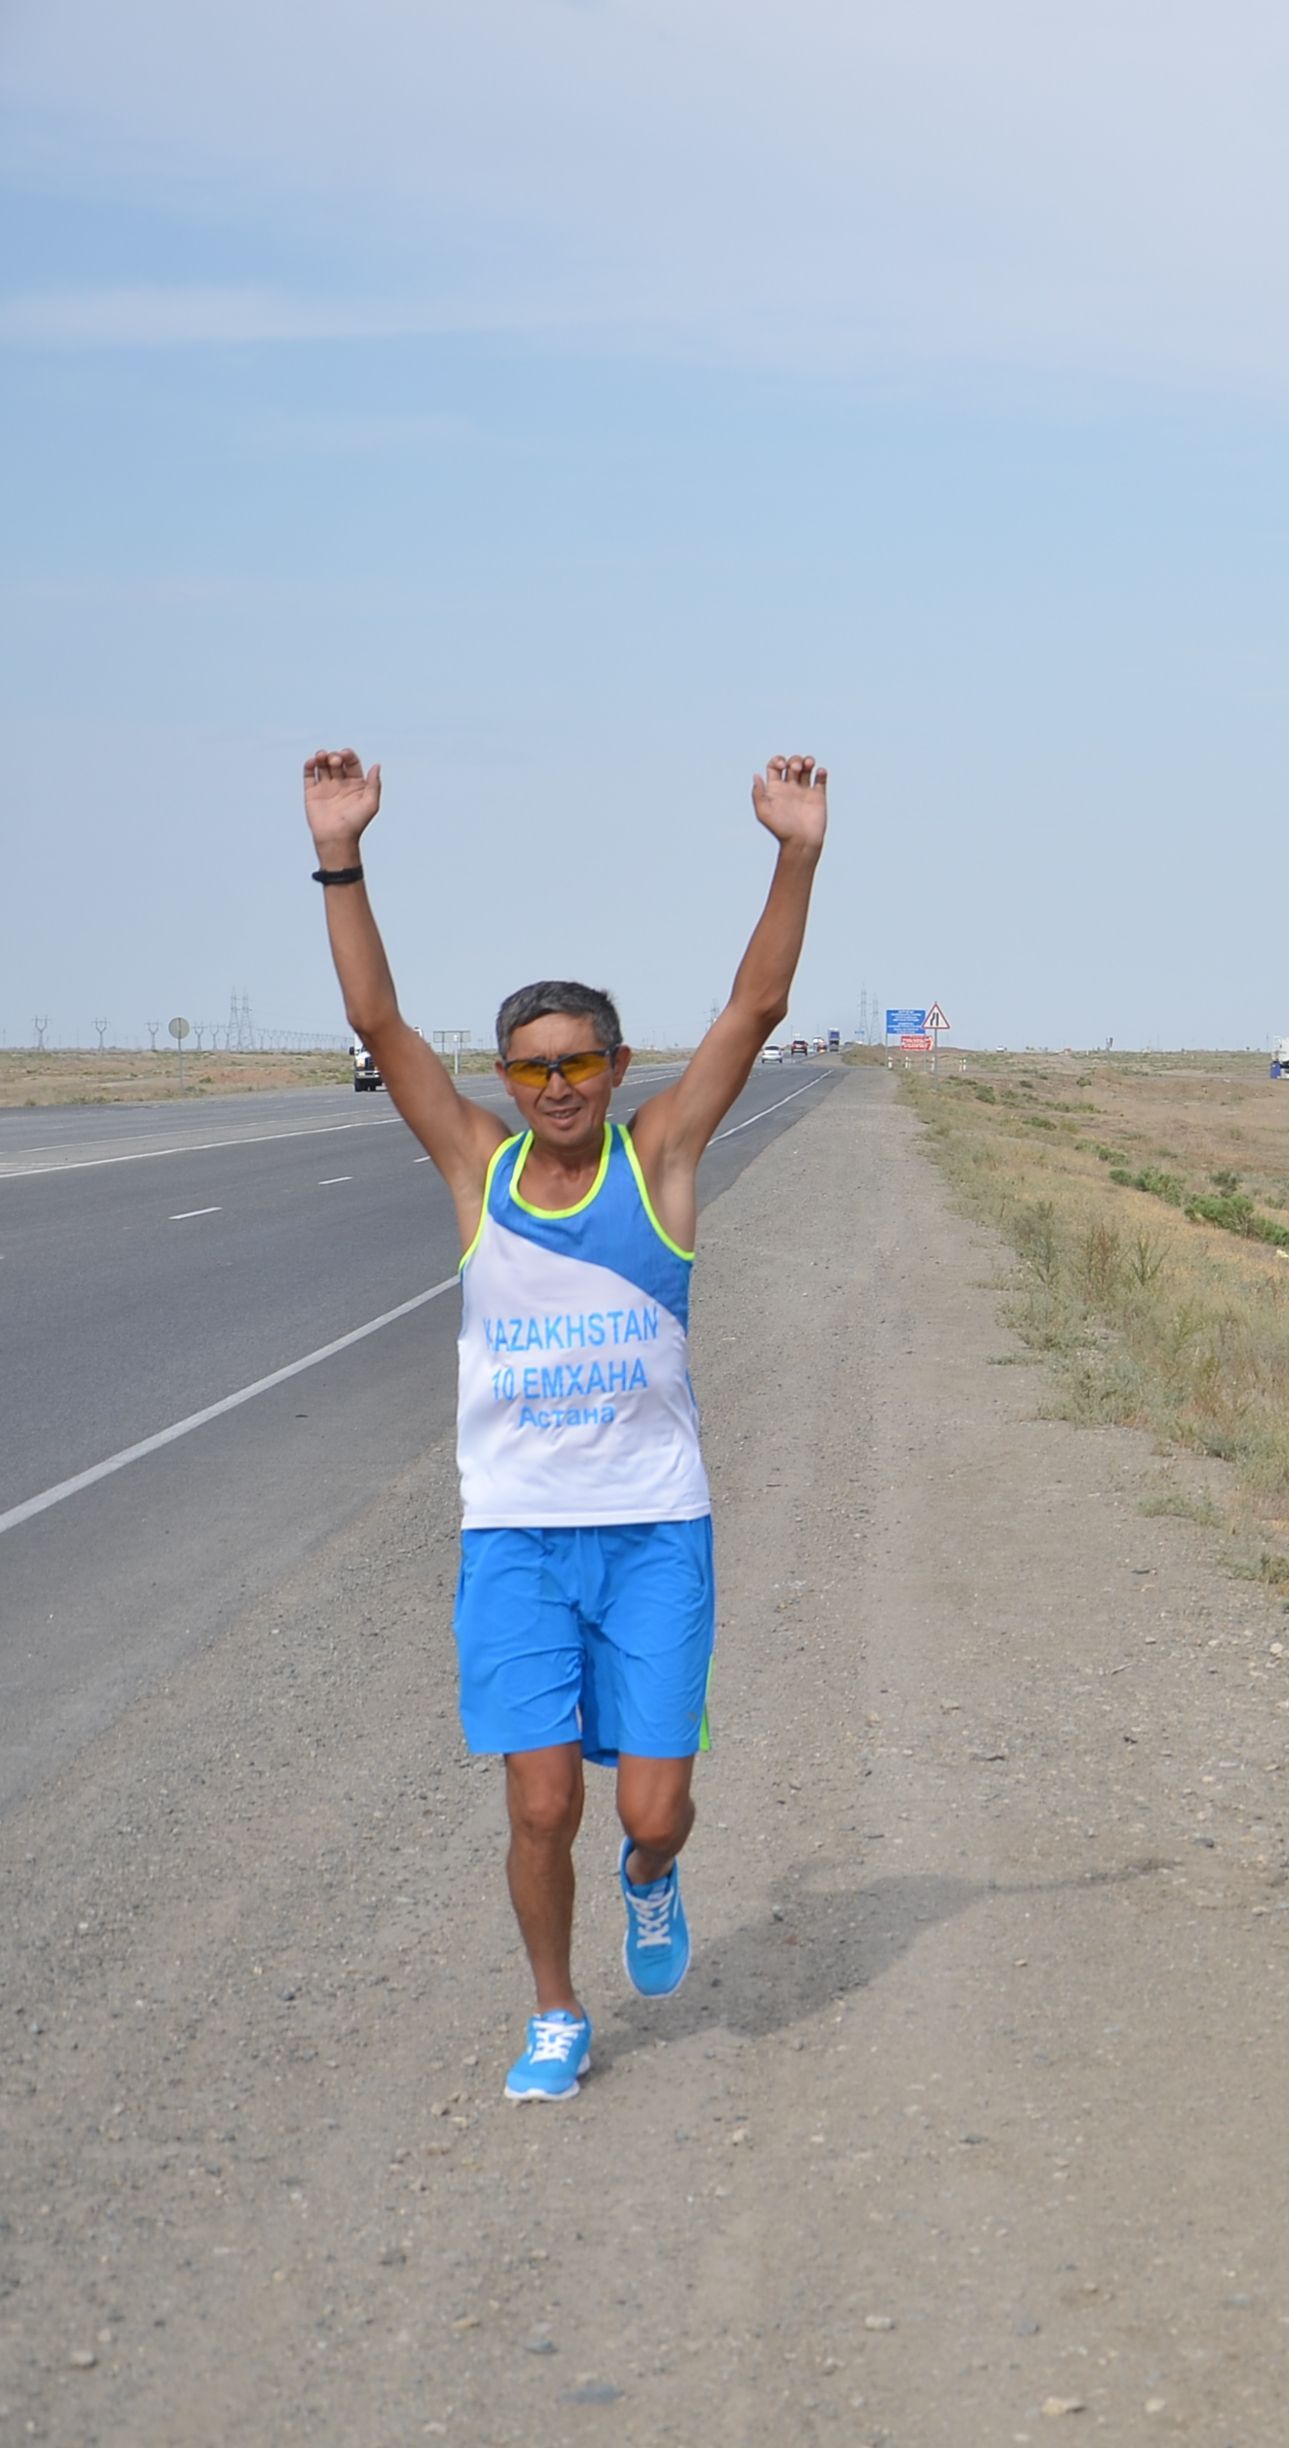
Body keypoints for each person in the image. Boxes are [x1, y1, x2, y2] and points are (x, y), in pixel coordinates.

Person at [305, 748, 828, 2100]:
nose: (555, 1086)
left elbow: (757, 1006)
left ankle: (652, 1880)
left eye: (579, 1061)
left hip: (655, 1533)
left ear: (614, 1065)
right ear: (506, 1078)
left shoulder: (659, 1164)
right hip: (521, 1544)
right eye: (531, 1068)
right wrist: (342, 854)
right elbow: (379, 1023)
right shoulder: (478, 1170)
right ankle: (554, 2008)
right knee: (541, 1801)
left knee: (648, 1809)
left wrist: (796, 851)